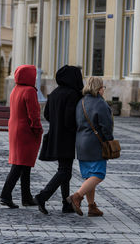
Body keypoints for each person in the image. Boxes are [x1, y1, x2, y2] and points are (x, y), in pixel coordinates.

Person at [35, 65, 83, 214]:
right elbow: (70, 119)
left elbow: (47, 115)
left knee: (64, 170)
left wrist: (57, 123)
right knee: (64, 171)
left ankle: (66, 203)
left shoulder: (54, 93)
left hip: (56, 135)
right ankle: (43, 196)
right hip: (67, 137)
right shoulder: (74, 94)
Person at [67, 77, 113, 217]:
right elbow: (106, 126)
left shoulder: (80, 102)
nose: (104, 90)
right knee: (98, 174)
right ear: (99, 88)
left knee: (89, 176)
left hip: (81, 143)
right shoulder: (101, 103)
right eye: (103, 87)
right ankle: (77, 196)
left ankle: (92, 206)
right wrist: (109, 141)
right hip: (95, 144)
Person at [0, 65, 43, 208]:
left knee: (25, 164)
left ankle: (26, 196)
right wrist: (38, 130)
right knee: (19, 165)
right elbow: (34, 114)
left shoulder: (15, 89)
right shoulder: (30, 91)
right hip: (26, 132)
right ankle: (6, 195)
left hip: (16, 130)